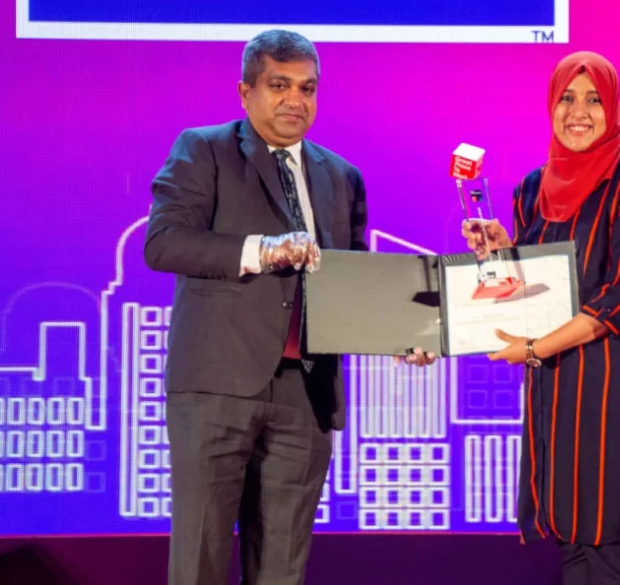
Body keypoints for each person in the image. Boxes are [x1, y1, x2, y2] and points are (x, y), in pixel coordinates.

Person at [144, 29, 431, 585]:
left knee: (282, 567)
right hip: (218, 386)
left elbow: (351, 282)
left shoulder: (341, 176)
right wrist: (263, 250)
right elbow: (164, 242)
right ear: (246, 91)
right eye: (279, 85)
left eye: (307, 87)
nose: (295, 100)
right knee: (199, 561)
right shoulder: (205, 148)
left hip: (306, 392)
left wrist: (402, 334)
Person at [463, 51, 620, 584]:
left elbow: (619, 299)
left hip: (619, 388)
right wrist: (504, 249)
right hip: (557, 392)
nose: (578, 112)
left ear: (612, 110)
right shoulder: (531, 191)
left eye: (593, 100)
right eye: (567, 98)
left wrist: (535, 349)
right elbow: (541, 283)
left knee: (609, 545)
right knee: (573, 546)